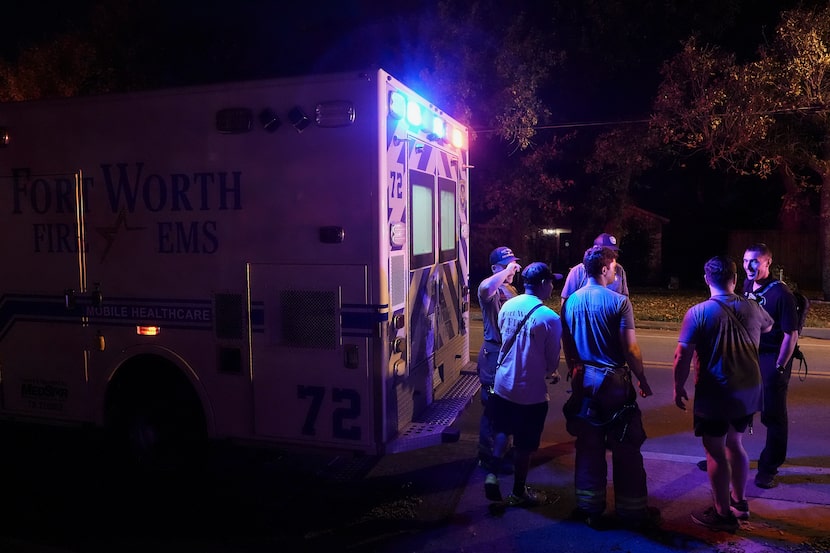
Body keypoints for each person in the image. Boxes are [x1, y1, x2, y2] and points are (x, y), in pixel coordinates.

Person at [560, 245, 658, 529]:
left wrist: (575, 370)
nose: (616, 272)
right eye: (614, 267)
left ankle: (588, 507)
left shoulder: (570, 302)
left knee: (588, 445)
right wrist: (642, 378)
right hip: (614, 383)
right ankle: (632, 511)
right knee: (626, 445)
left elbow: (568, 344)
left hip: (584, 382)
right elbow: (631, 349)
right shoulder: (619, 302)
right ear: (604, 269)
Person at [673, 256, 774, 532]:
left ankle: (722, 513)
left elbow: (682, 355)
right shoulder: (752, 306)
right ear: (735, 278)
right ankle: (740, 503)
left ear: (707, 279)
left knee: (715, 450)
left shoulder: (698, 313)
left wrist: (678, 386)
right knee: (735, 443)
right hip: (748, 390)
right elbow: (768, 326)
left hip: (716, 392)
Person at [483, 262, 562, 507]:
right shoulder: (550, 318)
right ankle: (518, 492)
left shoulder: (507, 306)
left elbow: (504, 338)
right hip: (531, 393)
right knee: (524, 445)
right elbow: (551, 362)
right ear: (543, 283)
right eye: (551, 282)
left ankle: (492, 473)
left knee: (503, 430)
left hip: (503, 384)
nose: (553, 287)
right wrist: (551, 373)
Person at [742, 243, 800, 490]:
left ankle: (769, 468)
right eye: (746, 260)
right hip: (749, 356)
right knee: (738, 408)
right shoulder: (747, 285)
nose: (749, 266)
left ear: (768, 262)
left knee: (773, 416)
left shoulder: (781, 293)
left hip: (772, 357)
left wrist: (779, 367)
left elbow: (791, 335)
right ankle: (725, 457)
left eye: (755, 261)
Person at [476, 246, 522, 472]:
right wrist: (506, 271)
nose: (512, 269)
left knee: (509, 406)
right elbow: (486, 288)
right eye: (506, 265)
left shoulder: (510, 288)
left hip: (509, 354)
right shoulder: (489, 289)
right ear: (495, 268)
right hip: (494, 355)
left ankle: (503, 451)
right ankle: (488, 457)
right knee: (493, 408)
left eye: (514, 264)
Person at [560, 233, 629, 304]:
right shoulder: (577, 271)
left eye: (614, 251)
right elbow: (566, 301)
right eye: (608, 252)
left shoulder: (619, 269)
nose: (612, 255)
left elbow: (624, 297)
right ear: (596, 251)